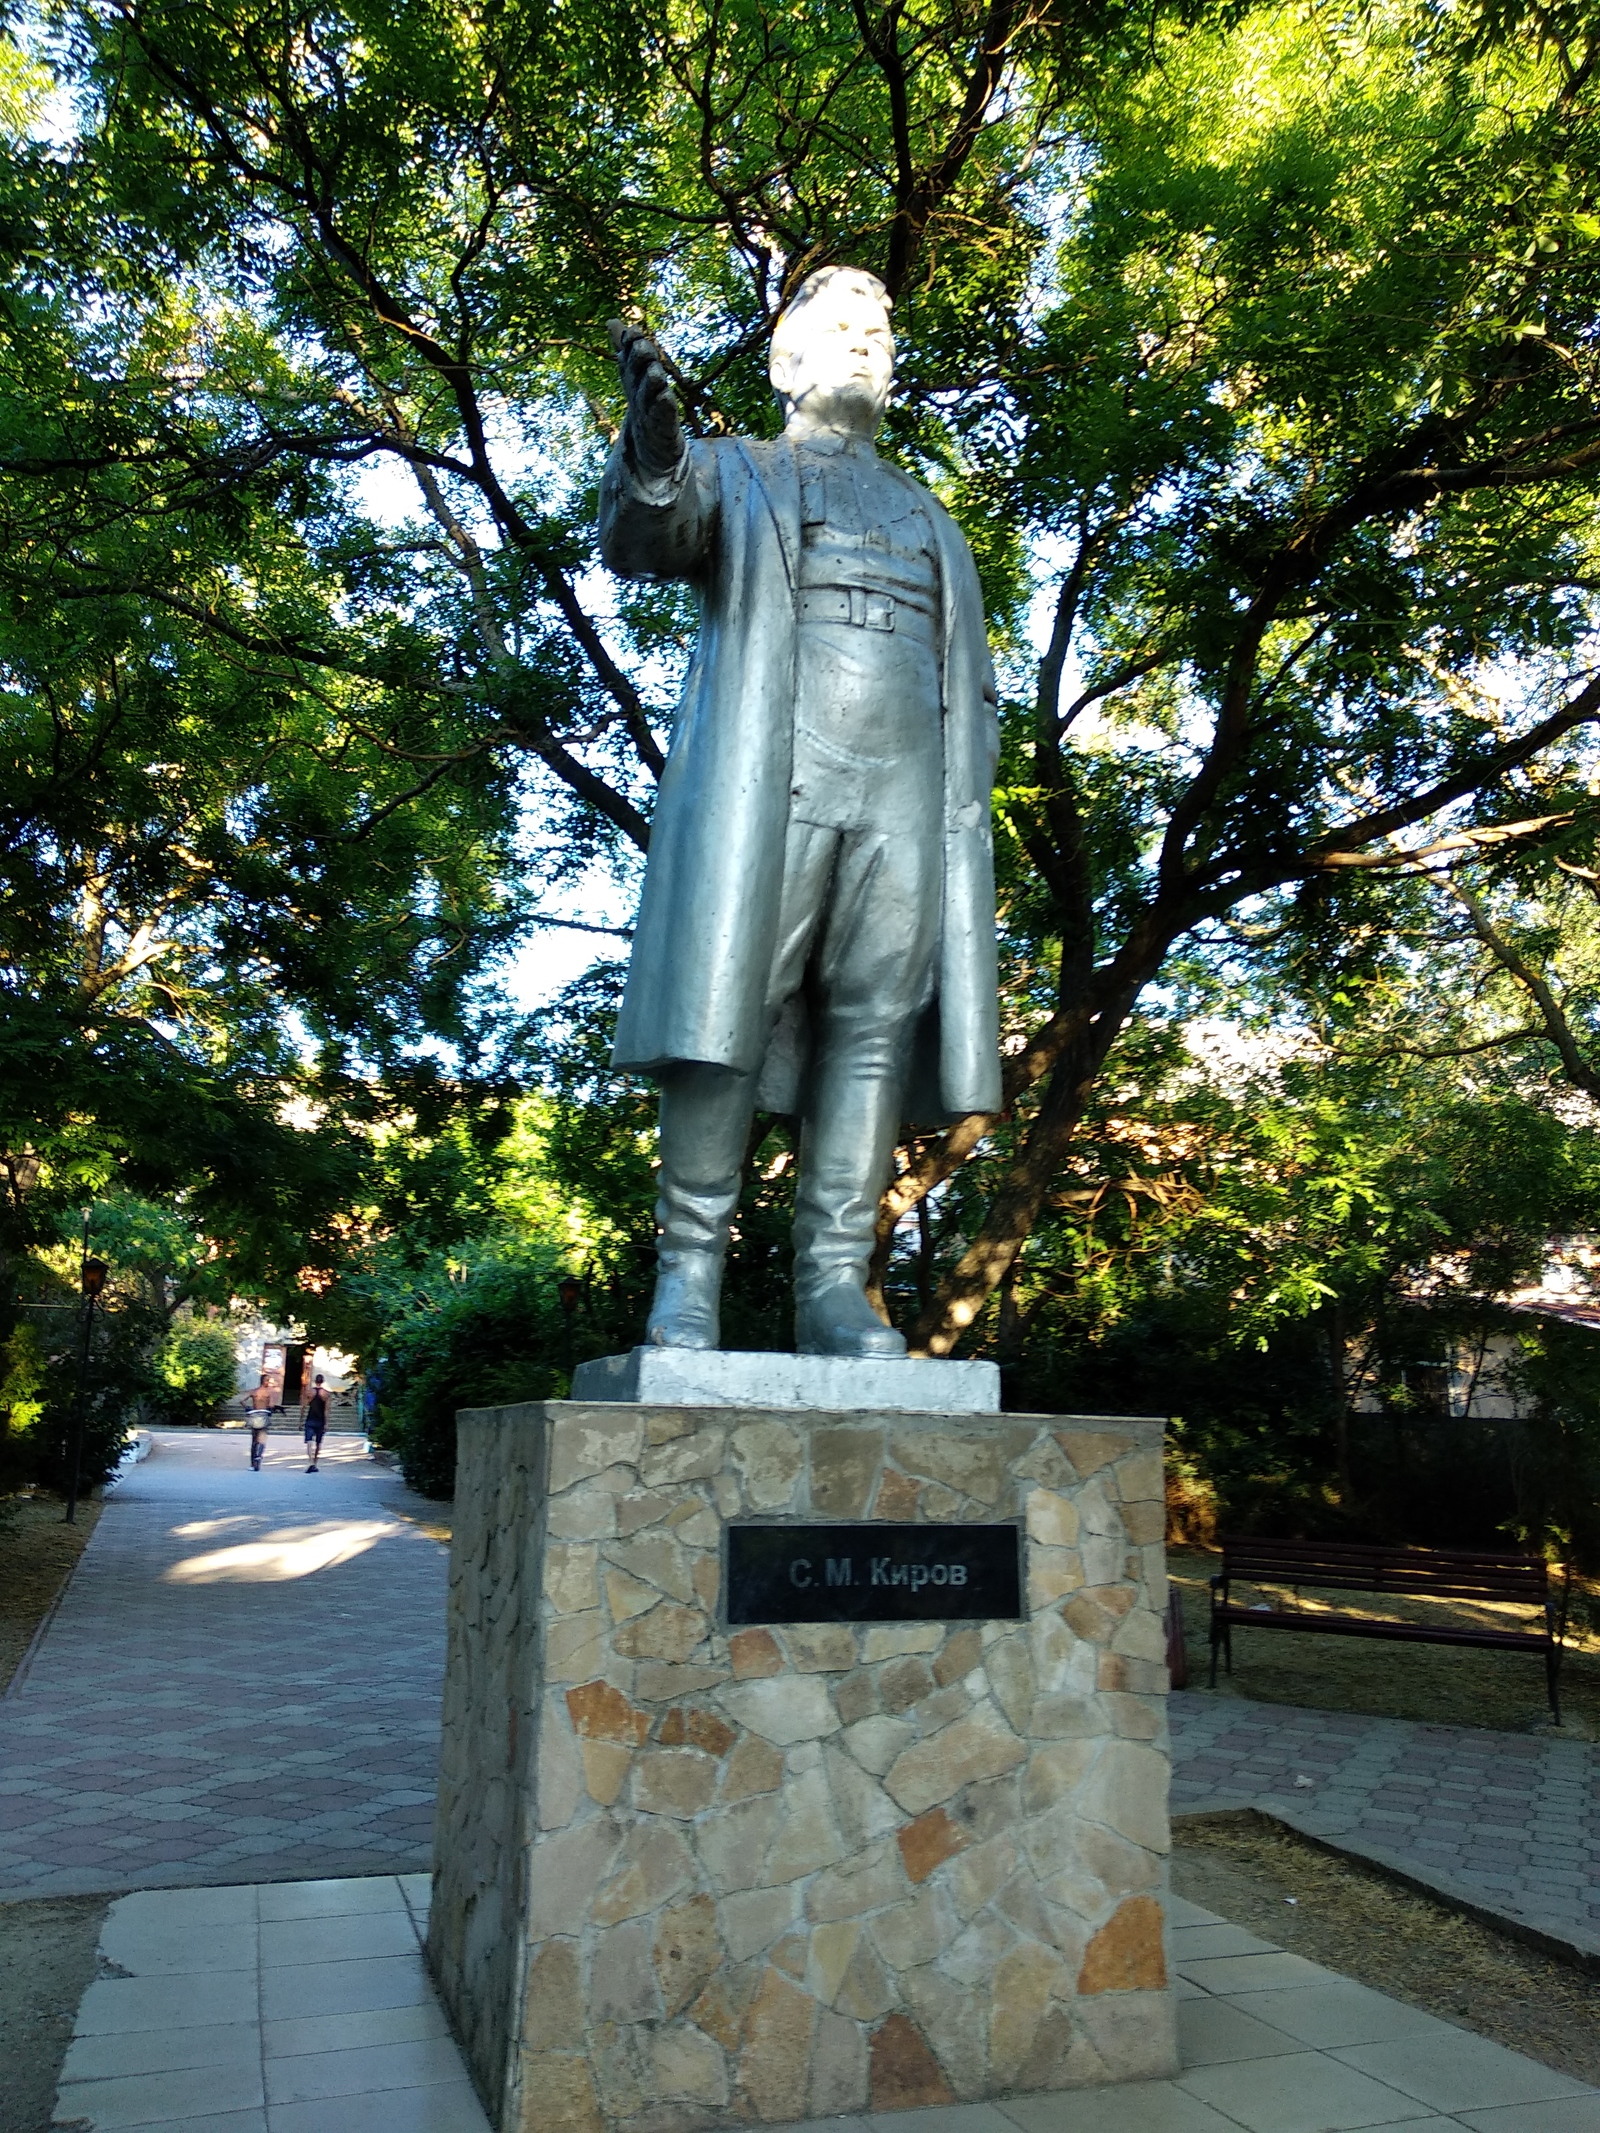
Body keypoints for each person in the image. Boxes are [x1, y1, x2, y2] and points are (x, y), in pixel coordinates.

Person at [600, 267, 1001, 1358]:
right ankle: (687, 1278)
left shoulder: (930, 516)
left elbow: (965, 687)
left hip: (907, 791)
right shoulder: (736, 473)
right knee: (726, 1013)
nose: (866, 345)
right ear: (785, 361)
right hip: (773, 777)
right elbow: (646, 537)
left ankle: (833, 1286)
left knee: (870, 1029)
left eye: (880, 331)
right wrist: (653, 444)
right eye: (840, 328)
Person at [303, 1375, 328, 1471]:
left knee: (309, 1441)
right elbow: (326, 1410)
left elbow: (304, 1407)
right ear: (323, 1381)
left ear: (315, 1381)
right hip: (320, 1420)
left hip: (310, 1419)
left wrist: (301, 1420)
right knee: (318, 1442)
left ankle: (310, 1462)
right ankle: (315, 1463)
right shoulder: (326, 1394)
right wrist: (326, 1423)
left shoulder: (310, 1392)